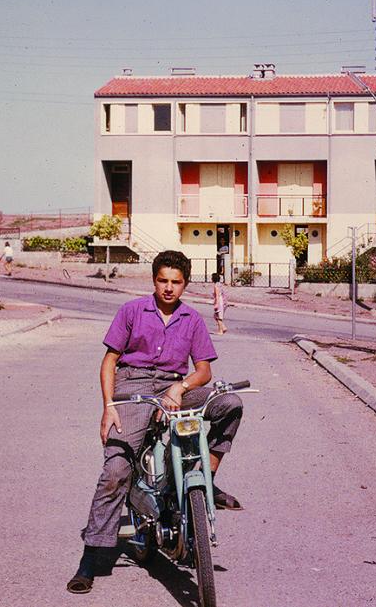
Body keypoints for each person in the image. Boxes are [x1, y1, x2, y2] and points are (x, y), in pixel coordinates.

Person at [67, 250, 244, 595]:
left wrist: (180, 386)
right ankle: (91, 557)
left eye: (176, 282)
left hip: (172, 387)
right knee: (116, 471)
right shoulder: (132, 311)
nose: (168, 288)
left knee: (230, 403)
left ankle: (207, 475)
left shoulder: (192, 319)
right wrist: (108, 406)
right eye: (163, 280)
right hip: (131, 387)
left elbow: (204, 370)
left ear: (185, 285)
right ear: (154, 280)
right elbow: (110, 361)